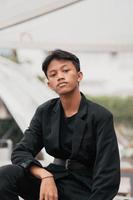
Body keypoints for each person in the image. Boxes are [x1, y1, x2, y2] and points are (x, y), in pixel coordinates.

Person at [0, 49, 120, 200]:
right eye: (53, 74)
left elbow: (108, 173)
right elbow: (21, 151)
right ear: (49, 84)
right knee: (5, 175)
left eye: (65, 70)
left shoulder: (100, 116)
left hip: (84, 188)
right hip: (53, 180)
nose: (60, 77)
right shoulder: (45, 111)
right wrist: (44, 175)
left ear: (79, 76)